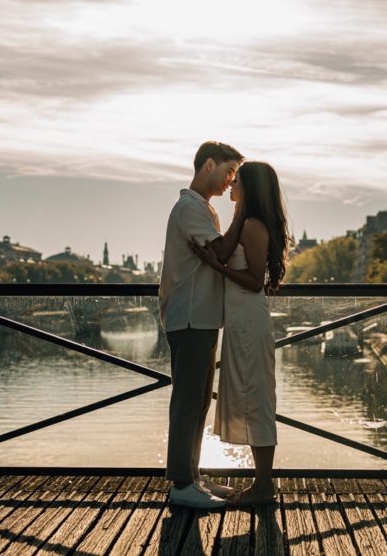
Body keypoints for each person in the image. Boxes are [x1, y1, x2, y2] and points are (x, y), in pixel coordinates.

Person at [191, 161, 290, 506]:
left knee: (258, 398)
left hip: (248, 320)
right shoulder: (244, 221)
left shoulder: (253, 226)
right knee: (251, 396)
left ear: (250, 188)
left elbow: (253, 281)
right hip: (240, 321)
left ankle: (264, 487)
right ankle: (262, 485)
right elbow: (222, 247)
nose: (231, 182)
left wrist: (214, 266)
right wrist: (236, 214)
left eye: (238, 180)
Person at [159, 141, 245, 509]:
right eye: (228, 171)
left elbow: (216, 255)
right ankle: (181, 483)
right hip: (191, 316)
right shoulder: (189, 208)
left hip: (201, 316)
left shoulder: (200, 208)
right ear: (208, 164)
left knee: (197, 400)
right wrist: (244, 211)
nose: (230, 181)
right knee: (188, 400)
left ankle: (191, 475)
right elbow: (221, 253)